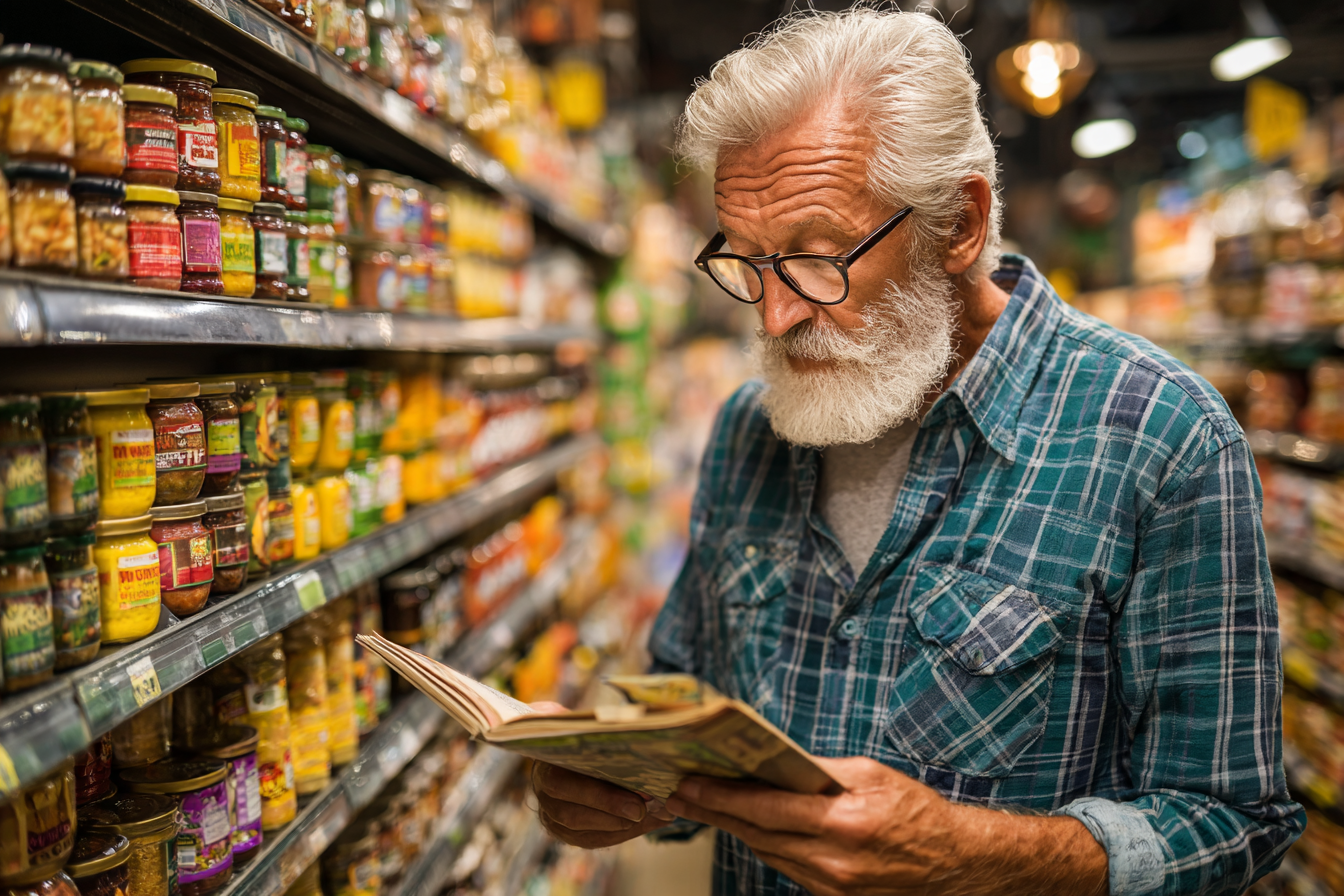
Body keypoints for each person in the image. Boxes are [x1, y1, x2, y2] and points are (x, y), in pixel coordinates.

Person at [531, 9, 1304, 895]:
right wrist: (618, 784)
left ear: (960, 225)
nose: (774, 317)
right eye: (745, 261)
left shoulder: (1162, 438)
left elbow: (1237, 821)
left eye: (818, 259)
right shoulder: (752, 427)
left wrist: (976, 857)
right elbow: (687, 702)